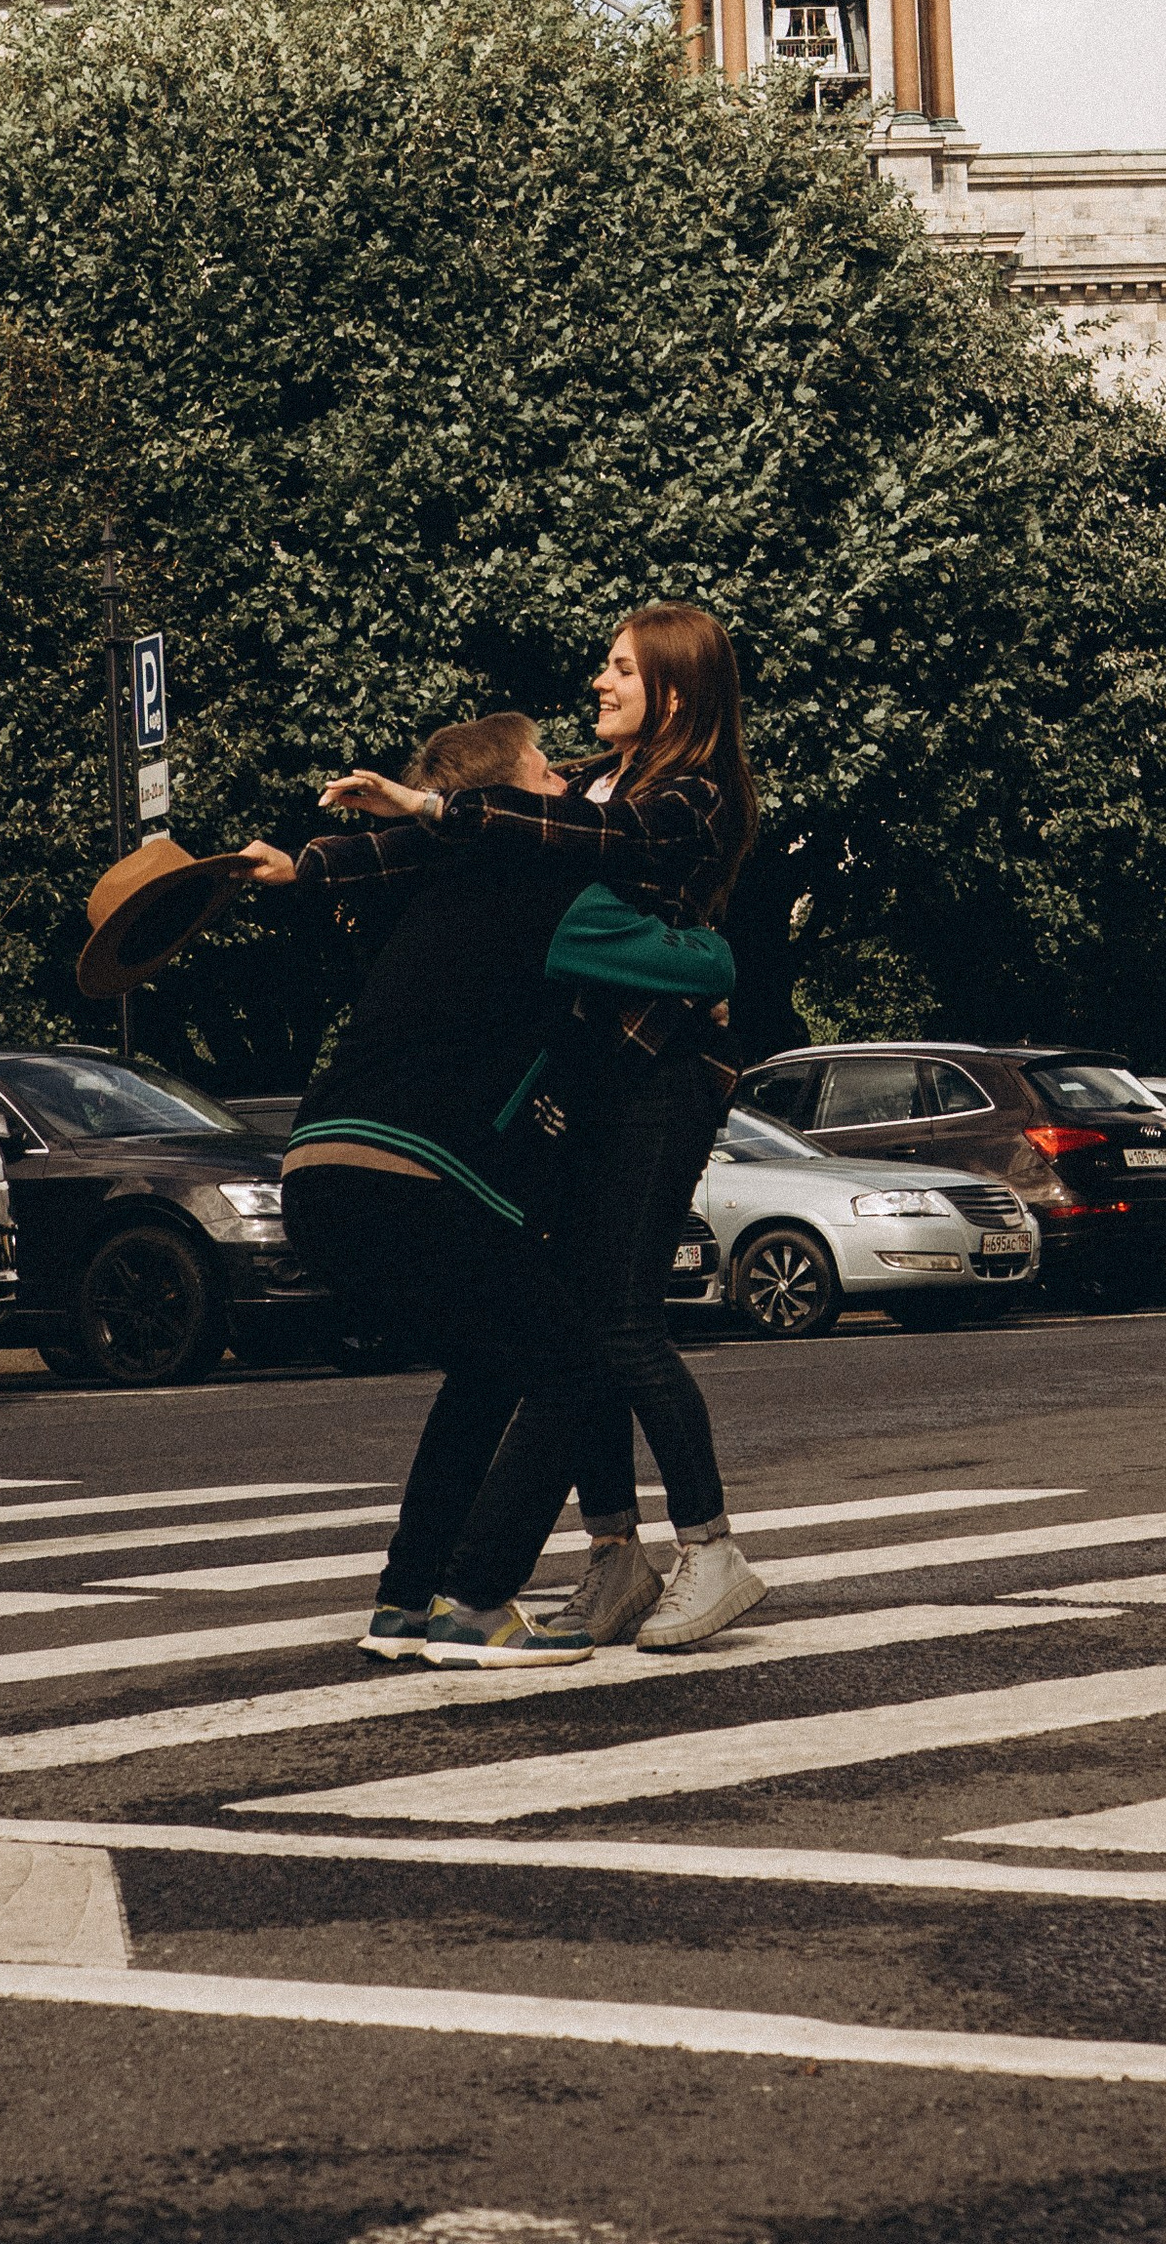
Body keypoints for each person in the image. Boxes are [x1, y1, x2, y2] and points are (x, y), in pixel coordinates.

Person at [310, 604, 767, 1653]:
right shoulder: (589, 781)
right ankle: (614, 1554)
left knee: (620, 1321)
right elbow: (471, 840)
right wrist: (316, 867)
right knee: (570, 1324)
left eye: (620, 669)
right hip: (586, 1083)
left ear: (678, 694)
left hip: (661, 1075)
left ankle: (709, 1547)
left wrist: (431, 807)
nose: (597, 684)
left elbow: (550, 838)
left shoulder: (685, 798)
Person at [264, 716, 608, 1667]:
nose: (567, 778)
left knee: (490, 1366)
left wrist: (316, 863)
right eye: (548, 765)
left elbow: (414, 844)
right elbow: (688, 958)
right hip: (411, 1177)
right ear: (510, 799)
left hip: (316, 1172)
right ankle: (475, 1599)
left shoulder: (429, 886)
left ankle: (403, 1602)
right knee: (579, 1363)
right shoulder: (541, 880)